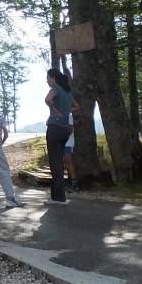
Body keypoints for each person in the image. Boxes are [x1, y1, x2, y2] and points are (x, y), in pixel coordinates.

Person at [45, 68, 78, 205]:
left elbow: (47, 99)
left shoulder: (56, 88)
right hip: (65, 130)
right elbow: (76, 106)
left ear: (53, 77)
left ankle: (59, 198)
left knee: (55, 163)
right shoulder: (67, 92)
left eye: (47, 78)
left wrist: (53, 110)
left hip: (55, 128)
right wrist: (65, 112)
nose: (46, 81)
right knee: (58, 162)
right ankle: (55, 196)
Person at [64, 115, 80, 193]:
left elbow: (70, 129)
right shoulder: (56, 115)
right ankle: (69, 181)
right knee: (65, 163)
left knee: (69, 162)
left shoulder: (68, 116)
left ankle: (74, 183)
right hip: (61, 143)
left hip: (67, 143)